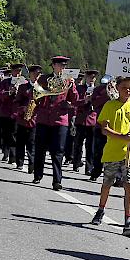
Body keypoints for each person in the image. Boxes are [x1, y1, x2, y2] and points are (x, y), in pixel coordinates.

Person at [90, 76, 130, 236]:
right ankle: (100, 210)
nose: (127, 91)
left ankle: (128, 221)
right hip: (112, 151)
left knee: (129, 184)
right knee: (107, 183)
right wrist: (121, 136)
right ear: (118, 88)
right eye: (124, 88)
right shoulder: (110, 105)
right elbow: (104, 129)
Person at [32, 56, 79, 190]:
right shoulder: (43, 79)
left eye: (64, 66)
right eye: (60, 65)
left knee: (58, 151)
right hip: (44, 118)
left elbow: (74, 99)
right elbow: (35, 95)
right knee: (40, 149)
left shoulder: (68, 80)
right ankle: (38, 174)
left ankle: (57, 180)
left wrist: (73, 86)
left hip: (60, 119)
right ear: (53, 65)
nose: (62, 68)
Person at [14, 64, 42, 173]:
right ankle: (19, 162)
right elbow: (16, 102)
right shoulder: (23, 87)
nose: (36, 76)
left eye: (38, 74)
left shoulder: (41, 88)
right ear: (30, 74)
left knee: (32, 143)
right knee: (20, 142)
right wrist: (23, 109)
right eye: (34, 74)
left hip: (35, 120)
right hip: (22, 119)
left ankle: (32, 163)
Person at [72, 69, 100, 174]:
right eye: (89, 77)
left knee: (90, 146)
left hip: (92, 119)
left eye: (93, 77)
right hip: (81, 119)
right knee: (78, 144)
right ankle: (76, 163)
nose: (91, 79)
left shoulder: (97, 89)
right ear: (86, 78)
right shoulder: (79, 88)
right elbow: (75, 102)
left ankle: (89, 167)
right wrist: (85, 100)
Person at [0, 63, 24, 163]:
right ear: (12, 71)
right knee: (5, 133)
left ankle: (13, 156)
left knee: (14, 134)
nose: (18, 73)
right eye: (16, 71)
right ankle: (6, 152)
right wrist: (9, 92)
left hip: (16, 112)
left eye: (19, 71)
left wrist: (18, 93)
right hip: (5, 112)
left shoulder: (23, 82)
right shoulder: (5, 82)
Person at [89, 78, 113, 181]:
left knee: (116, 152)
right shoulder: (99, 89)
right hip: (101, 124)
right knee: (99, 151)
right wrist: (107, 95)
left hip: (117, 126)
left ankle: (117, 176)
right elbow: (95, 103)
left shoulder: (122, 89)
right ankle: (96, 171)